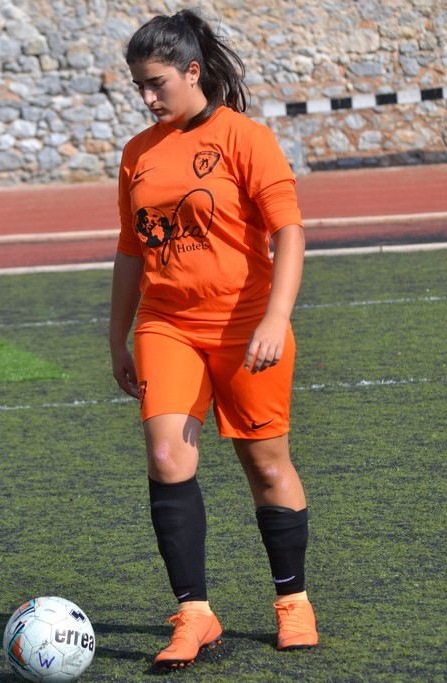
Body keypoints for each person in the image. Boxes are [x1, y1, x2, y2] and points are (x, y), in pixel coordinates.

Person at [108, 8, 319, 669]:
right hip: (166, 324)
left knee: (267, 465)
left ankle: (292, 601)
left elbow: (289, 232)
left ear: (193, 71)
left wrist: (276, 317)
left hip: (245, 326)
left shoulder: (245, 138)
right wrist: (117, 336)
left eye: (157, 83)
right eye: (139, 86)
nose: (147, 98)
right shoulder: (137, 153)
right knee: (166, 455)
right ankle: (194, 614)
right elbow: (130, 251)